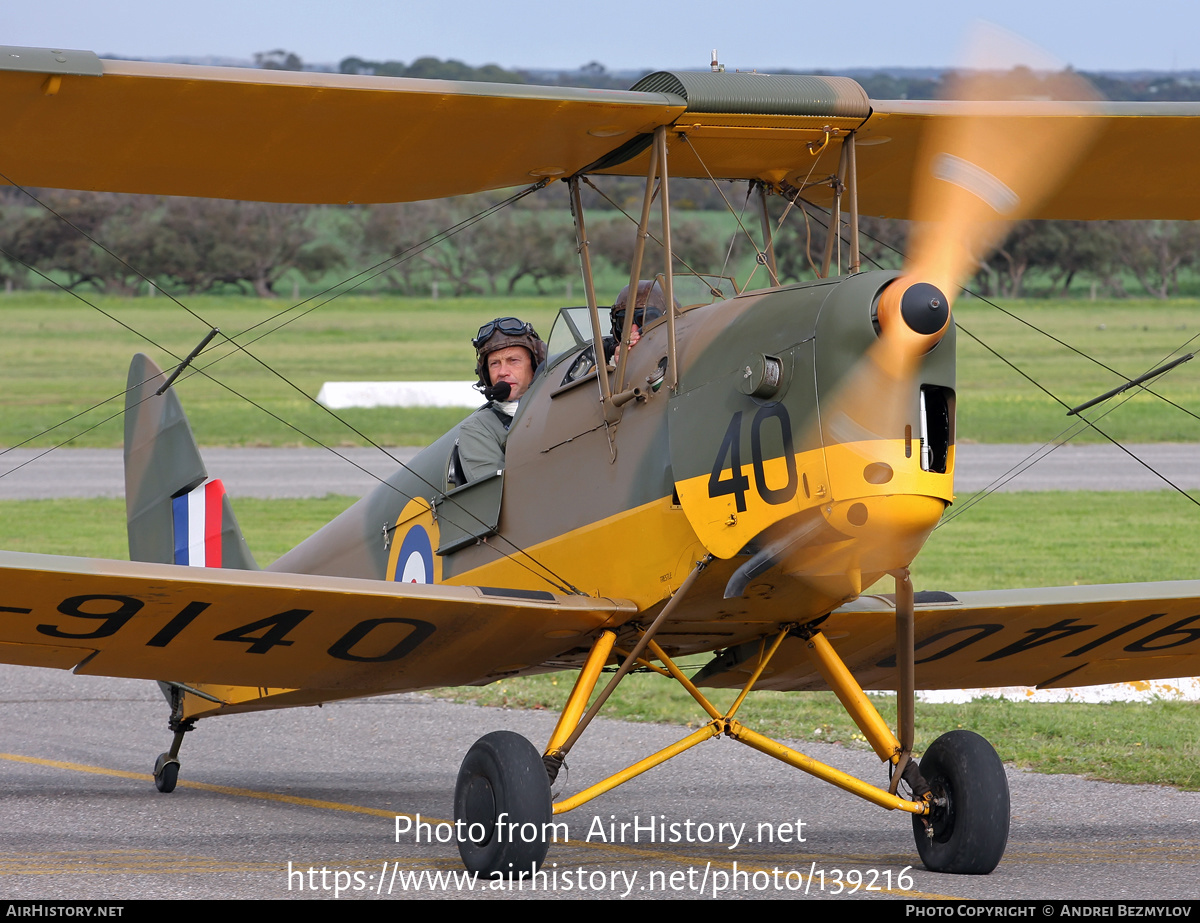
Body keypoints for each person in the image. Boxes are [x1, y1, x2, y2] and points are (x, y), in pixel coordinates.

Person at [454, 317, 547, 484]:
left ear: (535, 366)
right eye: (494, 364)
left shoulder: (555, 406)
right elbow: (499, 497)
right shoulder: (478, 429)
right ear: (485, 374)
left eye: (513, 361)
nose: (503, 372)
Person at [607, 279, 670, 361]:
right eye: (625, 323)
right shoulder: (607, 358)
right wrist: (621, 367)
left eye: (644, 321)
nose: (634, 331)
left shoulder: (682, 355)